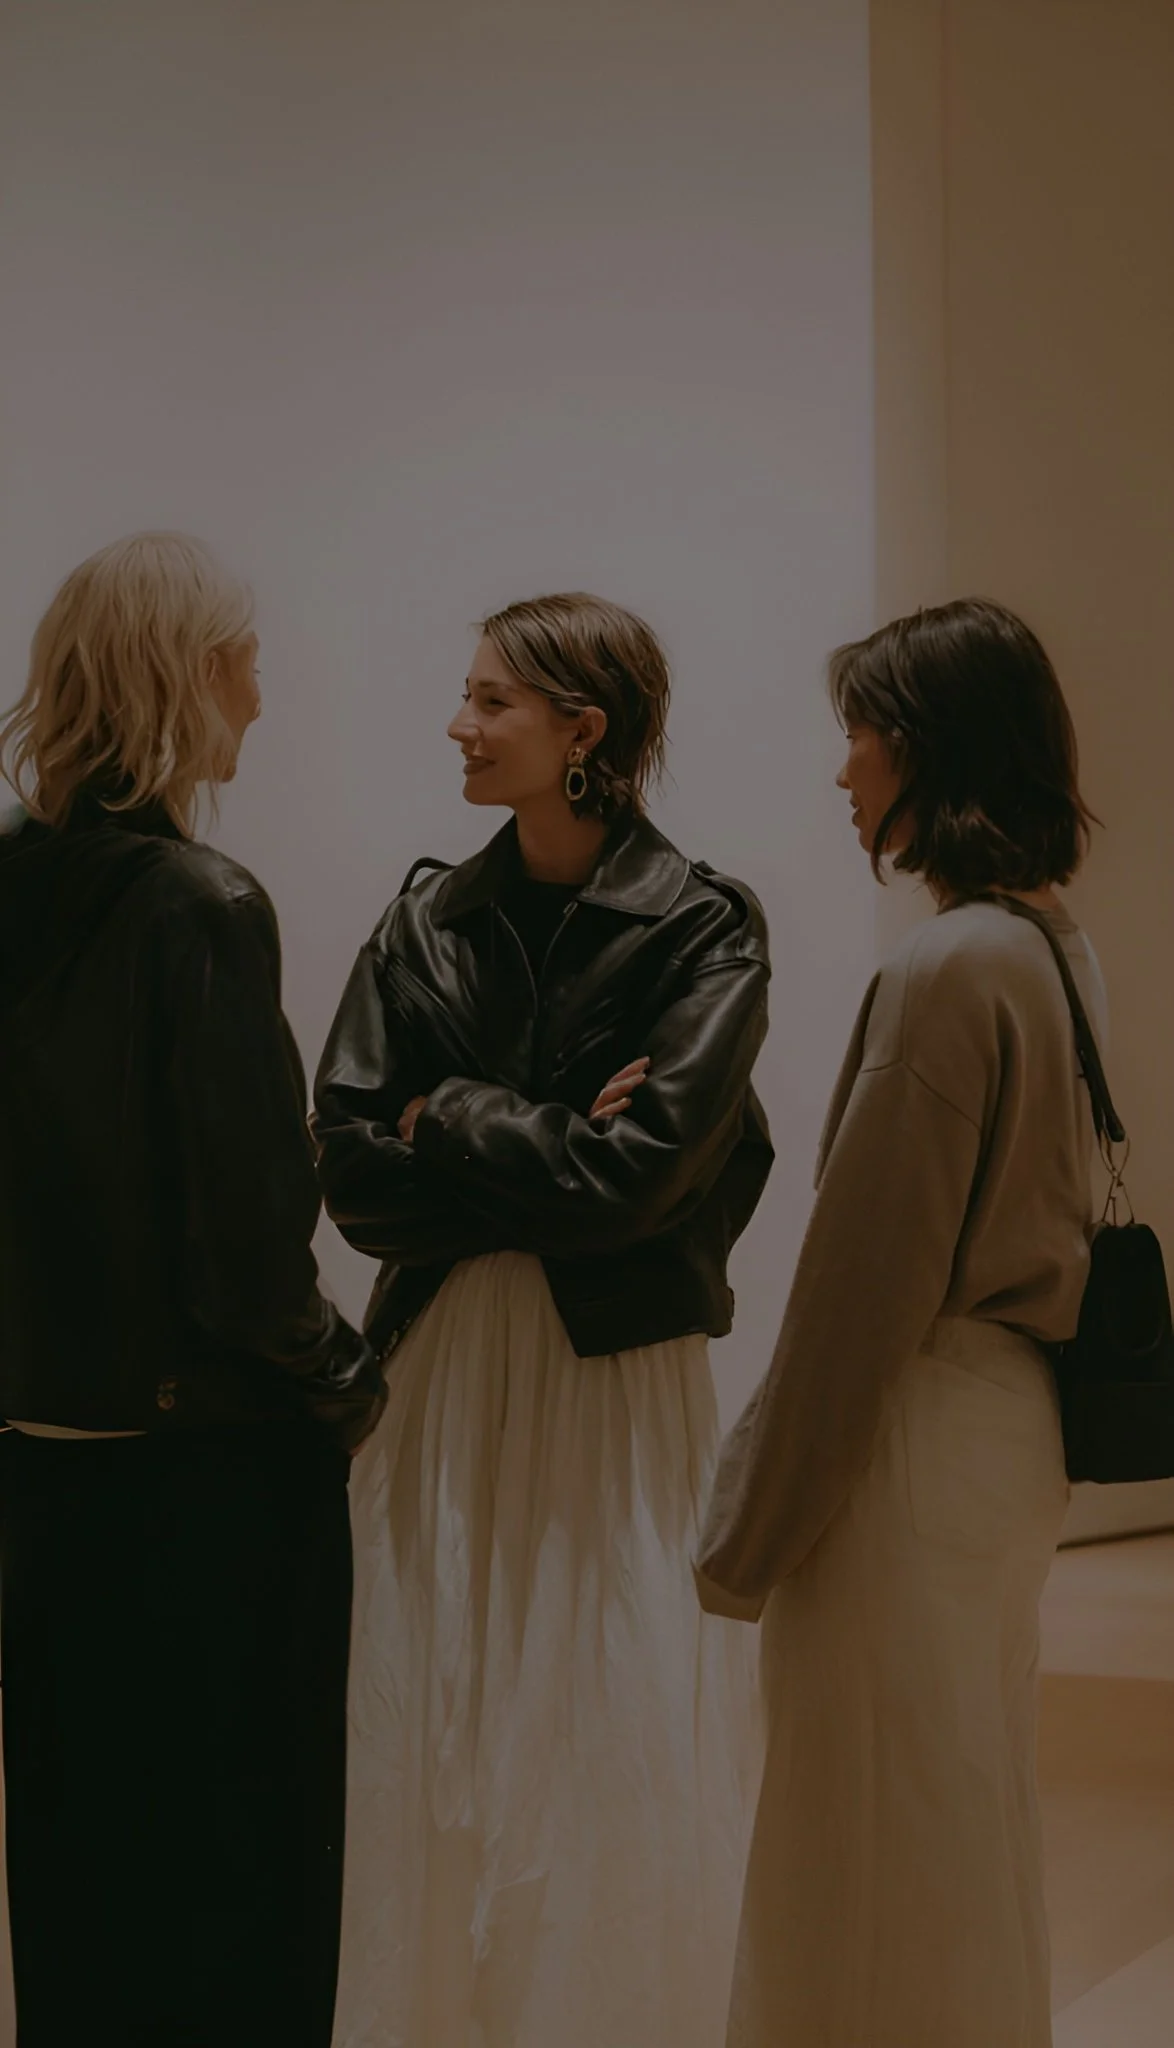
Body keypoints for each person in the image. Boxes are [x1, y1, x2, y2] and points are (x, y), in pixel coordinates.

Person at [313, 591, 774, 2048]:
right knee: (434, 1727)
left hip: (609, 1376)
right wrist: (540, 1130)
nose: (457, 723)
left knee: (602, 1731)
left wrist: (441, 1111)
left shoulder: (703, 923)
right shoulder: (425, 914)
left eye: (490, 700)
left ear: (584, 730)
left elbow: (636, 1187)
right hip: (443, 1366)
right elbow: (350, 1178)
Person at [696, 597, 1107, 2048]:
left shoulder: (944, 971)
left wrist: (744, 1535)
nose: (841, 770)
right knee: (955, 1818)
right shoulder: (1053, 949)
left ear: (929, 748)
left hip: (913, 1442)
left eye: (859, 732)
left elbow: (856, 1299)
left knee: (856, 1837)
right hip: (1007, 1441)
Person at [0, 533, 386, 2048]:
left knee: (83, 1890)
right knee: (241, 1893)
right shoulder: (201, 905)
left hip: (41, 1474)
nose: (261, 697)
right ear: (184, 675)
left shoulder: (13, 888)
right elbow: (245, 1251)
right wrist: (350, 1385)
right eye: (242, 659)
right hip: (208, 1488)